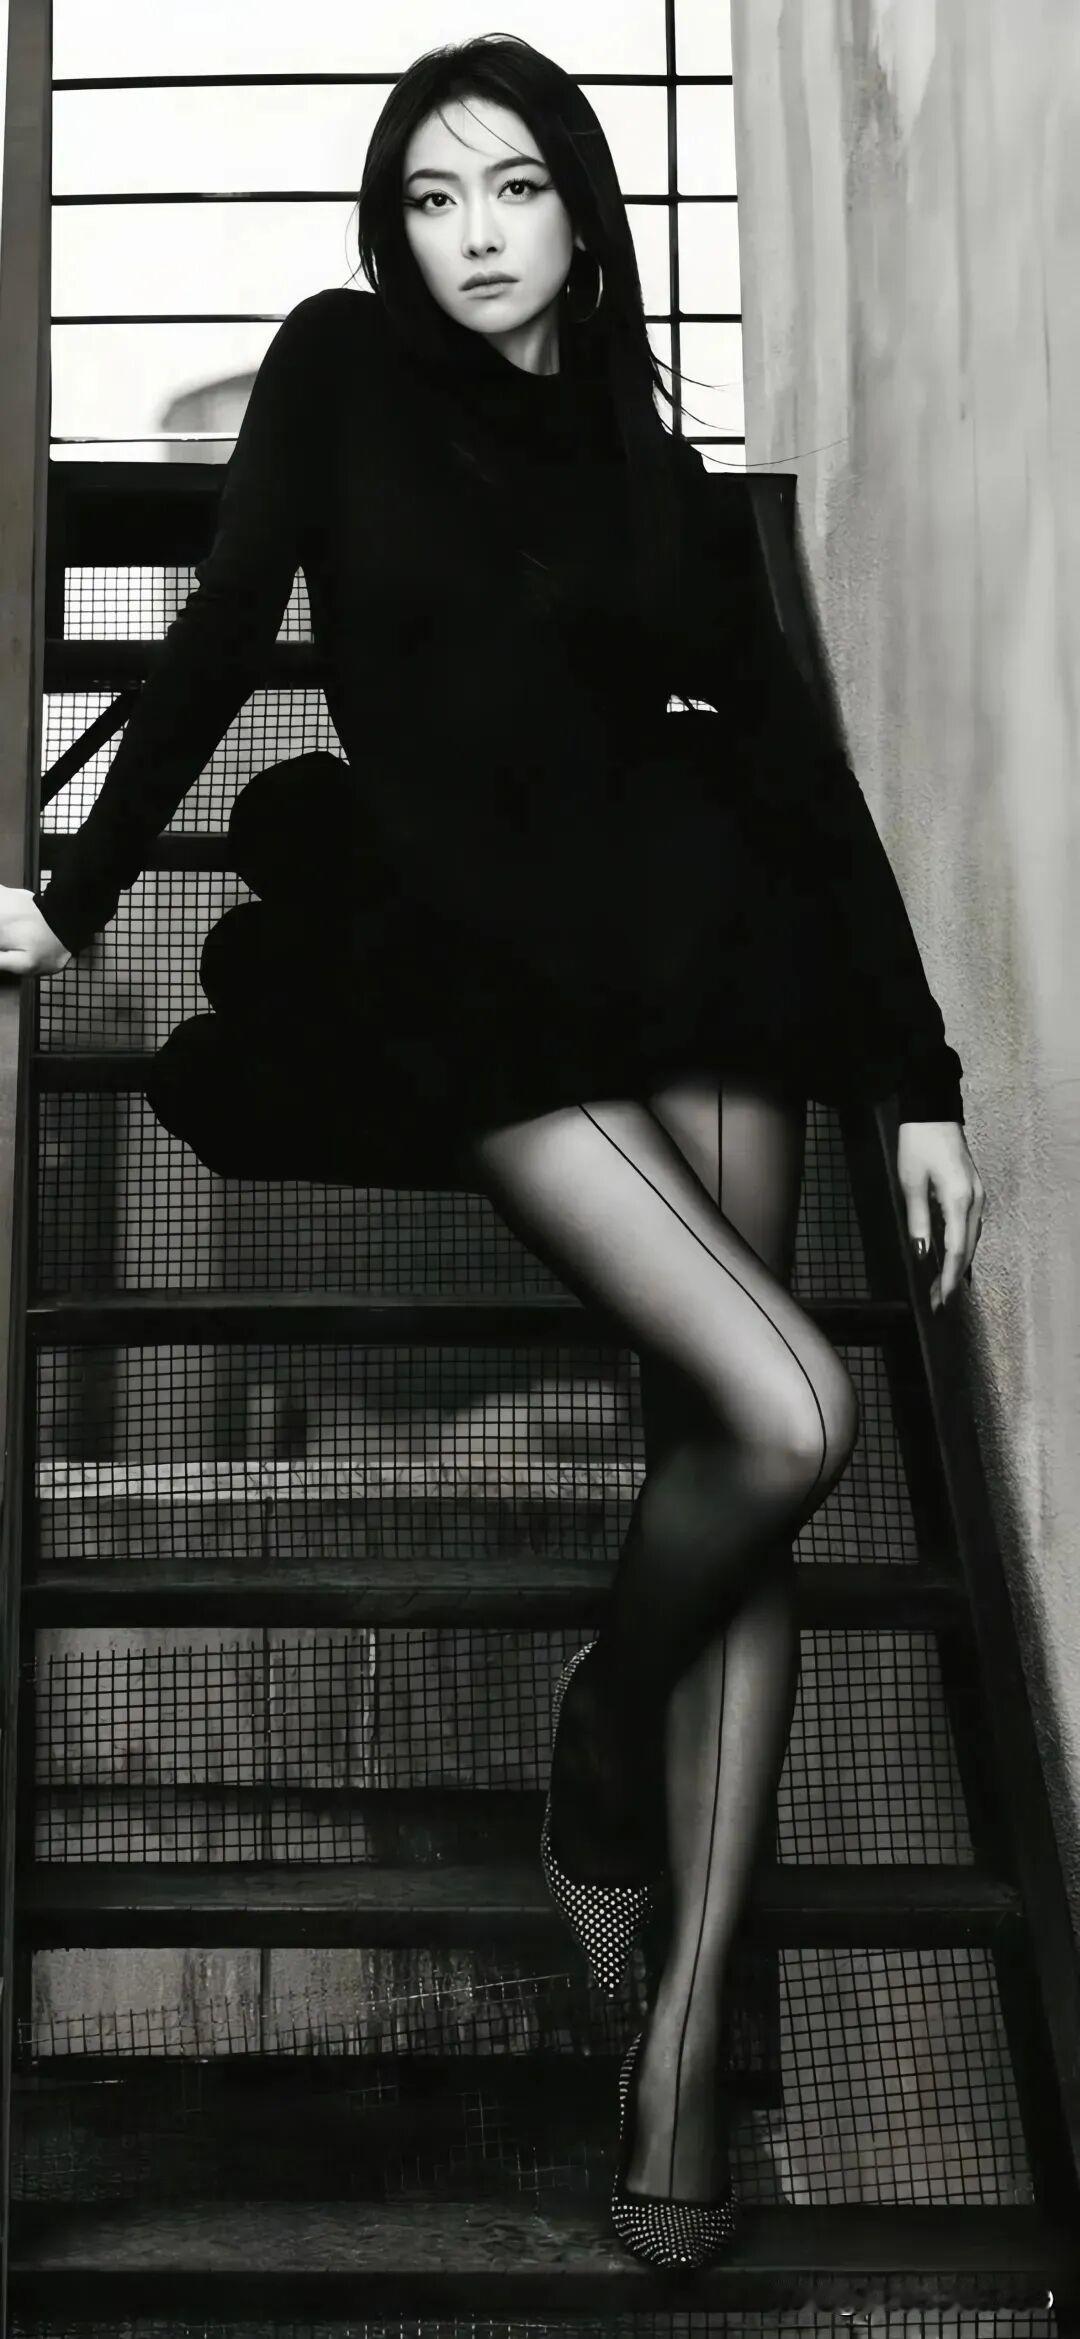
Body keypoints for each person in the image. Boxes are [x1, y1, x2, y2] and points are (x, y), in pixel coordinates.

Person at [0, 35, 984, 2272]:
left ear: (582, 214)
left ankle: (679, 2060)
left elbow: (796, 772)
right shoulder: (341, 369)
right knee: (792, 1412)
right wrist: (72, 884)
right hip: (468, 970)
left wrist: (918, 1075)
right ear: (391, 229)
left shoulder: (650, 460)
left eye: (514, 186)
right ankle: (601, 1740)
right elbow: (225, 622)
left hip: (703, 956)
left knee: (734, 1465)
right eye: (431, 195)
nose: (472, 232)